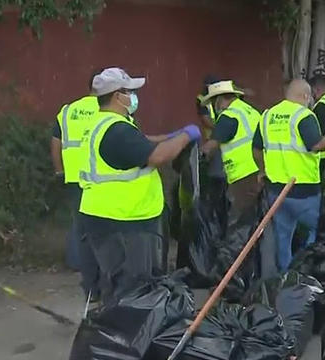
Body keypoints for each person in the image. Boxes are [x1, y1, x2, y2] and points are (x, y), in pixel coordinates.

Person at [79, 67, 201, 305]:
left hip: (102, 215)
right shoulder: (117, 130)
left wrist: (171, 136)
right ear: (117, 96)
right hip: (124, 221)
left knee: (115, 283)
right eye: (129, 91)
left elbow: (141, 143)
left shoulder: (101, 123)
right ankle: (127, 336)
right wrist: (186, 136)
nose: (134, 97)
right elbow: (156, 157)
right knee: (131, 289)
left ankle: (114, 330)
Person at [251, 79, 325, 272]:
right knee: (315, 234)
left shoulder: (267, 115)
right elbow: (317, 145)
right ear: (305, 96)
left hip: (277, 190)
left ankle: (287, 278)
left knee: (283, 237)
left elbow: (255, 149)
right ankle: (307, 274)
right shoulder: (303, 115)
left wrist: (262, 169)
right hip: (304, 191)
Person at [50, 71, 101, 301]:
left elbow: (56, 142)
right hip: (99, 175)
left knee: (78, 221)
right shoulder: (107, 110)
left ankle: (75, 262)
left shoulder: (68, 110)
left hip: (73, 176)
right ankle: (96, 267)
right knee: (99, 222)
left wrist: (59, 170)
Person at [200, 80, 261, 221]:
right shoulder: (251, 111)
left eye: (214, 102)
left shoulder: (229, 116)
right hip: (260, 170)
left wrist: (196, 155)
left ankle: (240, 244)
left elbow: (211, 145)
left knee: (240, 221)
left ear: (220, 99)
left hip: (243, 175)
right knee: (255, 217)